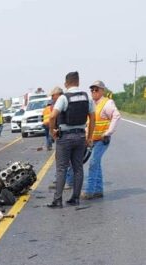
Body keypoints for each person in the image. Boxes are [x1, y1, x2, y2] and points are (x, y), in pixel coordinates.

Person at [47, 71, 95, 208]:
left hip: (65, 137)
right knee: (78, 168)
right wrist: (89, 137)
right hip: (80, 136)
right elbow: (93, 119)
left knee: (61, 168)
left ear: (66, 83)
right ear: (78, 82)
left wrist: (52, 132)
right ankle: (75, 198)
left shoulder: (63, 98)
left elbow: (52, 117)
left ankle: (58, 200)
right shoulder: (87, 97)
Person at [81, 80, 121, 200]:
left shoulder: (107, 103)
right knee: (96, 163)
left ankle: (89, 191)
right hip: (93, 140)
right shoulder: (92, 103)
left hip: (102, 140)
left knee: (93, 162)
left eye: (96, 89)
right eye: (92, 90)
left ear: (102, 91)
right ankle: (98, 190)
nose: (94, 92)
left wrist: (108, 132)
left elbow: (116, 116)